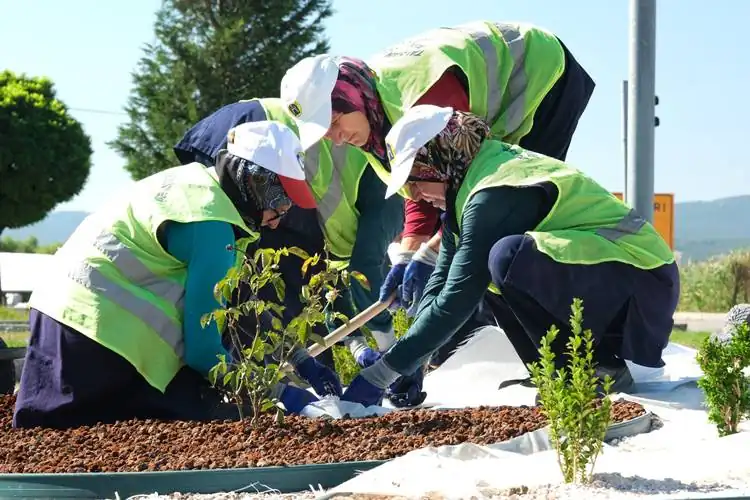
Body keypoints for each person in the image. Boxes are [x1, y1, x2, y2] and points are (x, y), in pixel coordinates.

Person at [279, 20, 596, 367]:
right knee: (475, 246)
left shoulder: (422, 96)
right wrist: (407, 254)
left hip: (539, 78)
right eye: (327, 134)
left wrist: (430, 257)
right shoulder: (368, 120)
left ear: (349, 96)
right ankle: (515, 355)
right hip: (487, 124)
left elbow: (468, 188)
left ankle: (573, 362)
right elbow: (418, 182)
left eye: (335, 124)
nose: (337, 139)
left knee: (504, 229)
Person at [339, 105, 680, 408]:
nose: (414, 194)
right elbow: (442, 284)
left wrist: (383, 372)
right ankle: (558, 373)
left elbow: (458, 298)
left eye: (414, 181)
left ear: (436, 162)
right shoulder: (469, 185)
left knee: (505, 258)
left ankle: (597, 368)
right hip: (614, 283)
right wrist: (414, 361)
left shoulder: (492, 194)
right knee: (494, 269)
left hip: (642, 282)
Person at [13, 121, 341, 429]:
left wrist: (300, 359)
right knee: (70, 436)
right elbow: (203, 351)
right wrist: (281, 395)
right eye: (279, 199)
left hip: (62, 309)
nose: (279, 216)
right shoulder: (211, 226)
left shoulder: (199, 189)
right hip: (92, 331)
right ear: (250, 180)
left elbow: (238, 303)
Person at [173, 97, 404, 371]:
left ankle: (281, 376)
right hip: (260, 147)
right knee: (258, 278)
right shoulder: (394, 198)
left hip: (237, 131)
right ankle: (270, 381)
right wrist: (391, 351)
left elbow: (327, 279)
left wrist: (356, 345)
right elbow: (366, 267)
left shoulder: (344, 212)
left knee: (256, 275)